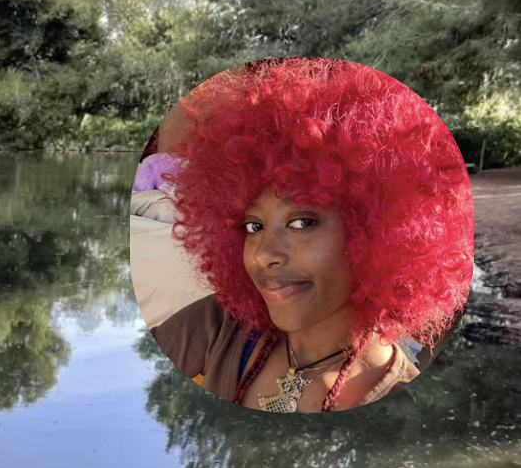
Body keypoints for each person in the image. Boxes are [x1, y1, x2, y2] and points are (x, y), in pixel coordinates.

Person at [149, 58, 473, 413]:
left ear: (379, 235)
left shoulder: (400, 402)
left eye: (301, 222)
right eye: (253, 226)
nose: (262, 254)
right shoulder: (220, 324)